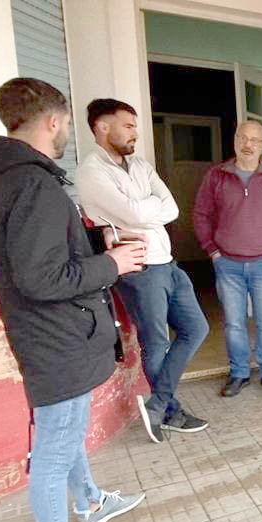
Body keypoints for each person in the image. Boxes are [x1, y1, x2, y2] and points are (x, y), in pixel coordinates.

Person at [0, 78, 146, 522]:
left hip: (52, 334)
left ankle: (90, 502)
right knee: (54, 446)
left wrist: (93, 241)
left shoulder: (9, 178)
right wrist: (112, 264)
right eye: (65, 122)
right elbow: (41, 278)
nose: (66, 131)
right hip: (54, 338)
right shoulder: (31, 182)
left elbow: (39, 253)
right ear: (52, 121)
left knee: (66, 429)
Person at [75, 99, 210, 443]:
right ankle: (170, 412)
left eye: (135, 125)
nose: (135, 132)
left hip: (167, 262)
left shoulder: (140, 166)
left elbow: (172, 208)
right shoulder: (92, 172)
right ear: (103, 127)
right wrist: (145, 208)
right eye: (128, 125)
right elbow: (136, 214)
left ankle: (158, 404)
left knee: (197, 328)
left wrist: (139, 210)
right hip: (139, 268)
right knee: (157, 342)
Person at [191, 120, 262, 397]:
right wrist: (212, 250)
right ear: (235, 140)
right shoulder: (216, 176)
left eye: (255, 140)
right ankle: (239, 373)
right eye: (243, 138)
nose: (248, 144)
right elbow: (201, 214)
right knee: (234, 323)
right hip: (227, 264)